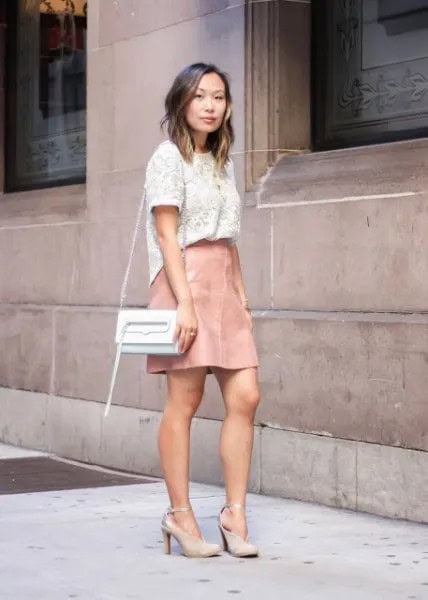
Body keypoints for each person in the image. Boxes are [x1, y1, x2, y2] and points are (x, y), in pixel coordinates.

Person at [144, 63, 260, 558]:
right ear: (182, 103)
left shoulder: (223, 161)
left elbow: (229, 238)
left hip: (224, 283)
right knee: (185, 403)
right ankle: (180, 514)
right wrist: (185, 305)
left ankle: (234, 514)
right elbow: (168, 234)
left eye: (218, 97)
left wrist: (242, 296)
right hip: (184, 283)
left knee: (247, 395)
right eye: (200, 96)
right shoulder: (168, 158)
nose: (211, 105)